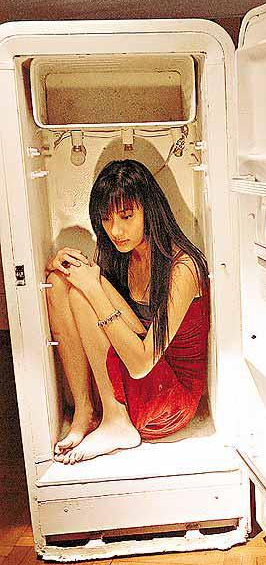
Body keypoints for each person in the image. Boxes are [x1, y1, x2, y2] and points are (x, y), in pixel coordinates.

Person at [45, 159, 209, 464]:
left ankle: (116, 421)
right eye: (106, 219)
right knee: (58, 280)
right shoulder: (124, 254)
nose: (115, 230)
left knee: (84, 294)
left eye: (126, 216)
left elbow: (141, 364)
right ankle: (85, 412)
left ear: (150, 210)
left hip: (169, 400)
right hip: (135, 385)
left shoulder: (184, 267)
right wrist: (65, 266)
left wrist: (93, 288)